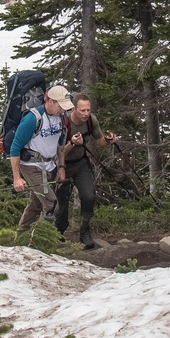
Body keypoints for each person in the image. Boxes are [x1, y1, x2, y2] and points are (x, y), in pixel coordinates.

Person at [55, 93, 117, 249]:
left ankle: (85, 230)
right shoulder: (64, 123)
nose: (86, 113)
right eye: (82, 110)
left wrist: (108, 140)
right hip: (63, 165)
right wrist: (72, 144)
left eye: (88, 110)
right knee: (61, 203)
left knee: (89, 196)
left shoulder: (91, 120)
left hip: (81, 163)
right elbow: (59, 152)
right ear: (74, 109)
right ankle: (58, 234)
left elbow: (99, 140)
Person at [11, 85, 71, 235]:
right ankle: (39, 240)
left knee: (36, 204)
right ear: (50, 101)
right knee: (51, 205)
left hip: (49, 165)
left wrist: (61, 167)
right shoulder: (33, 119)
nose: (63, 110)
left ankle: (20, 237)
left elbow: (60, 145)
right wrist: (17, 178)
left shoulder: (61, 118)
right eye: (61, 106)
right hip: (31, 166)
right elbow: (15, 147)